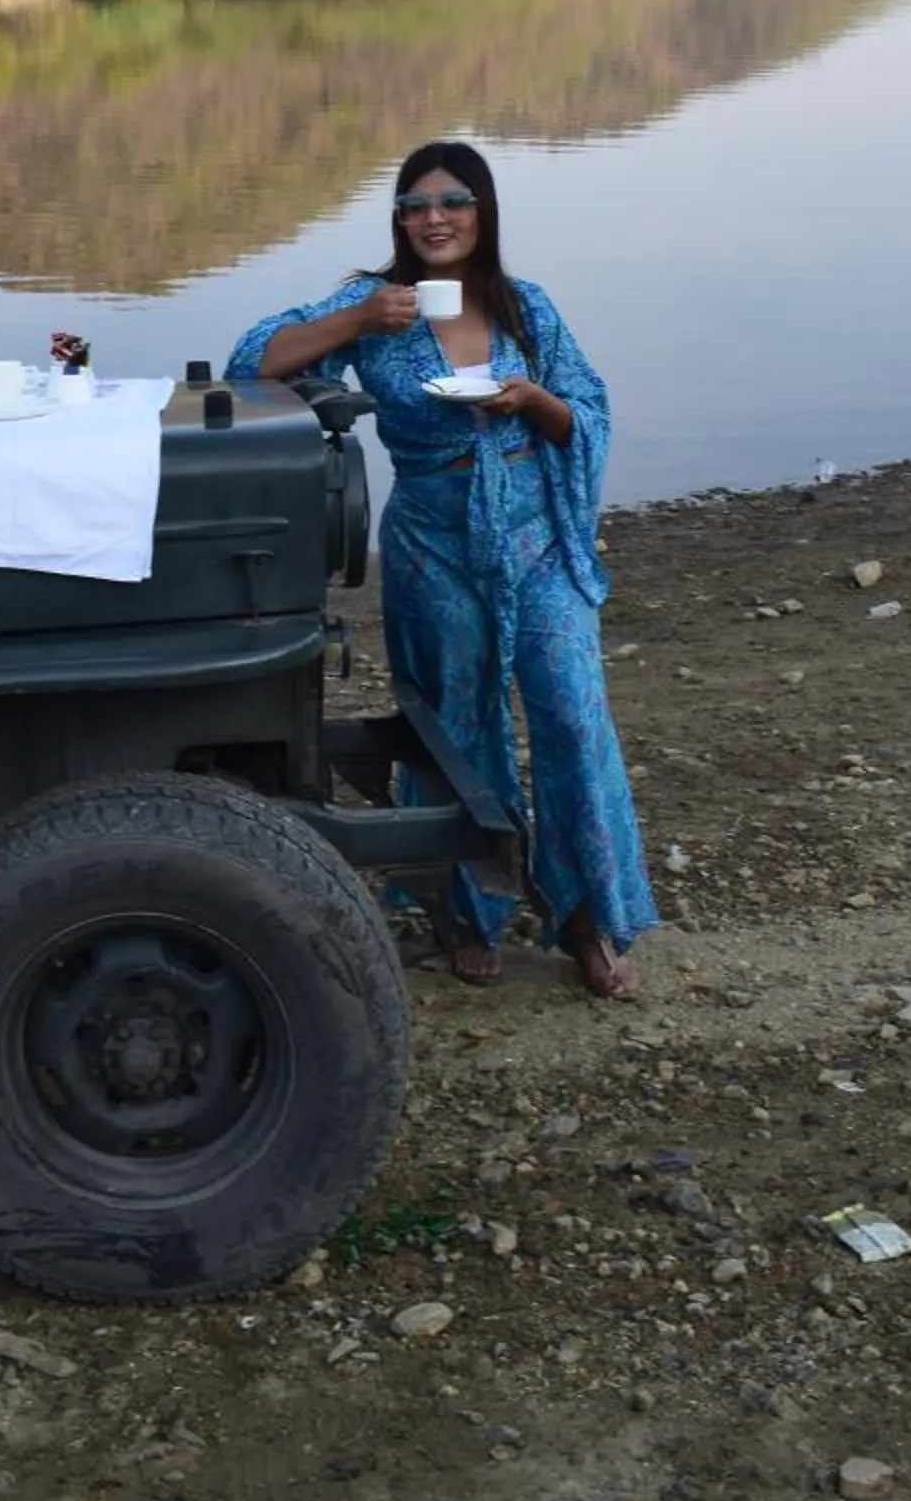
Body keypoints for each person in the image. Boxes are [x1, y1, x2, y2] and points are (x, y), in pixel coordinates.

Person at [226, 141, 656, 997]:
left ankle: (585, 915)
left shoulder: (526, 309)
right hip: (433, 534)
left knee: (570, 712)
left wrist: (532, 399)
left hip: (535, 530)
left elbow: (591, 418)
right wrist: (354, 325)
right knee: (454, 721)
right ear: (399, 220)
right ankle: (468, 909)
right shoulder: (373, 303)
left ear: (482, 211)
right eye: (416, 204)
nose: (435, 217)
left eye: (453, 200)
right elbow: (252, 364)